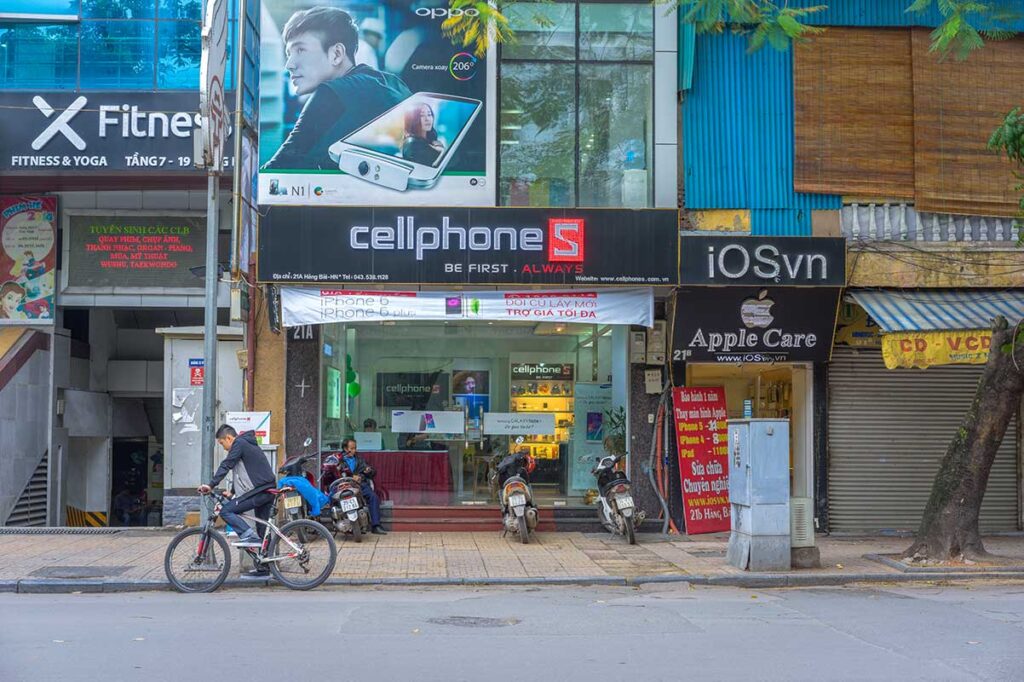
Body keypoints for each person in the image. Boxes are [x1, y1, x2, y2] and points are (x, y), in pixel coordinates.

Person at [262, 7, 411, 171]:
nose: (289, 64)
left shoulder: (332, 93)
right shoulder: (394, 83)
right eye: (289, 53)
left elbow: (279, 169)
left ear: (336, 54)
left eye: (300, 50)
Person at [198, 425, 277, 560]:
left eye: (222, 443)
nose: (223, 448)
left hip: (259, 491)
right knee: (263, 530)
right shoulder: (246, 444)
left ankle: (248, 536)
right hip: (265, 489)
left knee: (226, 511)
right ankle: (265, 567)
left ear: (229, 438)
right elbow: (243, 470)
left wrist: (211, 485)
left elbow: (227, 464)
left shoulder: (239, 443)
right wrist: (232, 491)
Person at [339, 438, 387, 534]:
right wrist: (351, 476)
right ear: (345, 448)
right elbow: (335, 472)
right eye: (351, 448)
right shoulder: (338, 460)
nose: (354, 450)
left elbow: (371, 472)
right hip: (344, 486)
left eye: (355, 448)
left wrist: (368, 471)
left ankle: (376, 525)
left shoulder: (359, 459)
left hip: (360, 485)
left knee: (374, 497)